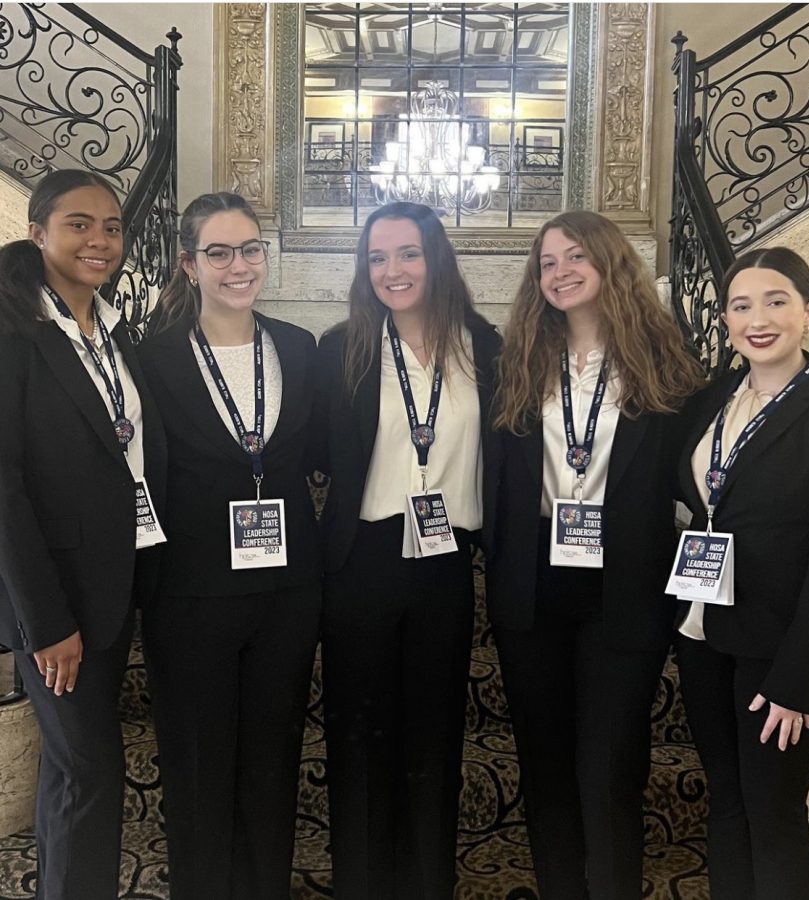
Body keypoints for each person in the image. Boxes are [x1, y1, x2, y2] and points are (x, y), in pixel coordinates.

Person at [485, 211, 702, 899]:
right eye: (547, 263)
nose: (560, 272)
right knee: (546, 767)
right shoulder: (517, 358)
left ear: (610, 264)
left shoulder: (663, 361)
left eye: (576, 257)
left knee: (609, 766)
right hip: (535, 581)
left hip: (625, 584)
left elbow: (694, 474)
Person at [673, 247, 809, 899]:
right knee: (728, 804)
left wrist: (797, 678)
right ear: (728, 319)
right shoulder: (708, 401)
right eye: (741, 305)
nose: (757, 318)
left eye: (776, 301)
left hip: (782, 652)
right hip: (705, 633)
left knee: (774, 813)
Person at [314, 201, 501, 899]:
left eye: (408, 254)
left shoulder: (484, 346)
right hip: (362, 560)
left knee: (433, 740)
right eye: (378, 258)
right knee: (359, 742)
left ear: (437, 259)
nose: (393, 270)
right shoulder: (344, 347)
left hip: (446, 561)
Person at [138, 192, 322, 900]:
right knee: (197, 764)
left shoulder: (298, 348)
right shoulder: (151, 360)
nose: (238, 265)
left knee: (272, 760)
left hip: (287, 592)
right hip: (190, 593)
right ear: (189, 264)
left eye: (250, 249)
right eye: (219, 252)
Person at [0, 168, 167, 900]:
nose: (100, 240)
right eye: (79, 224)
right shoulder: (13, 336)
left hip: (115, 583)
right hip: (57, 603)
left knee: (81, 771)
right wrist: (47, 623)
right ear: (38, 233)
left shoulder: (110, 332)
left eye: (112, 227)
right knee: (87, 771)